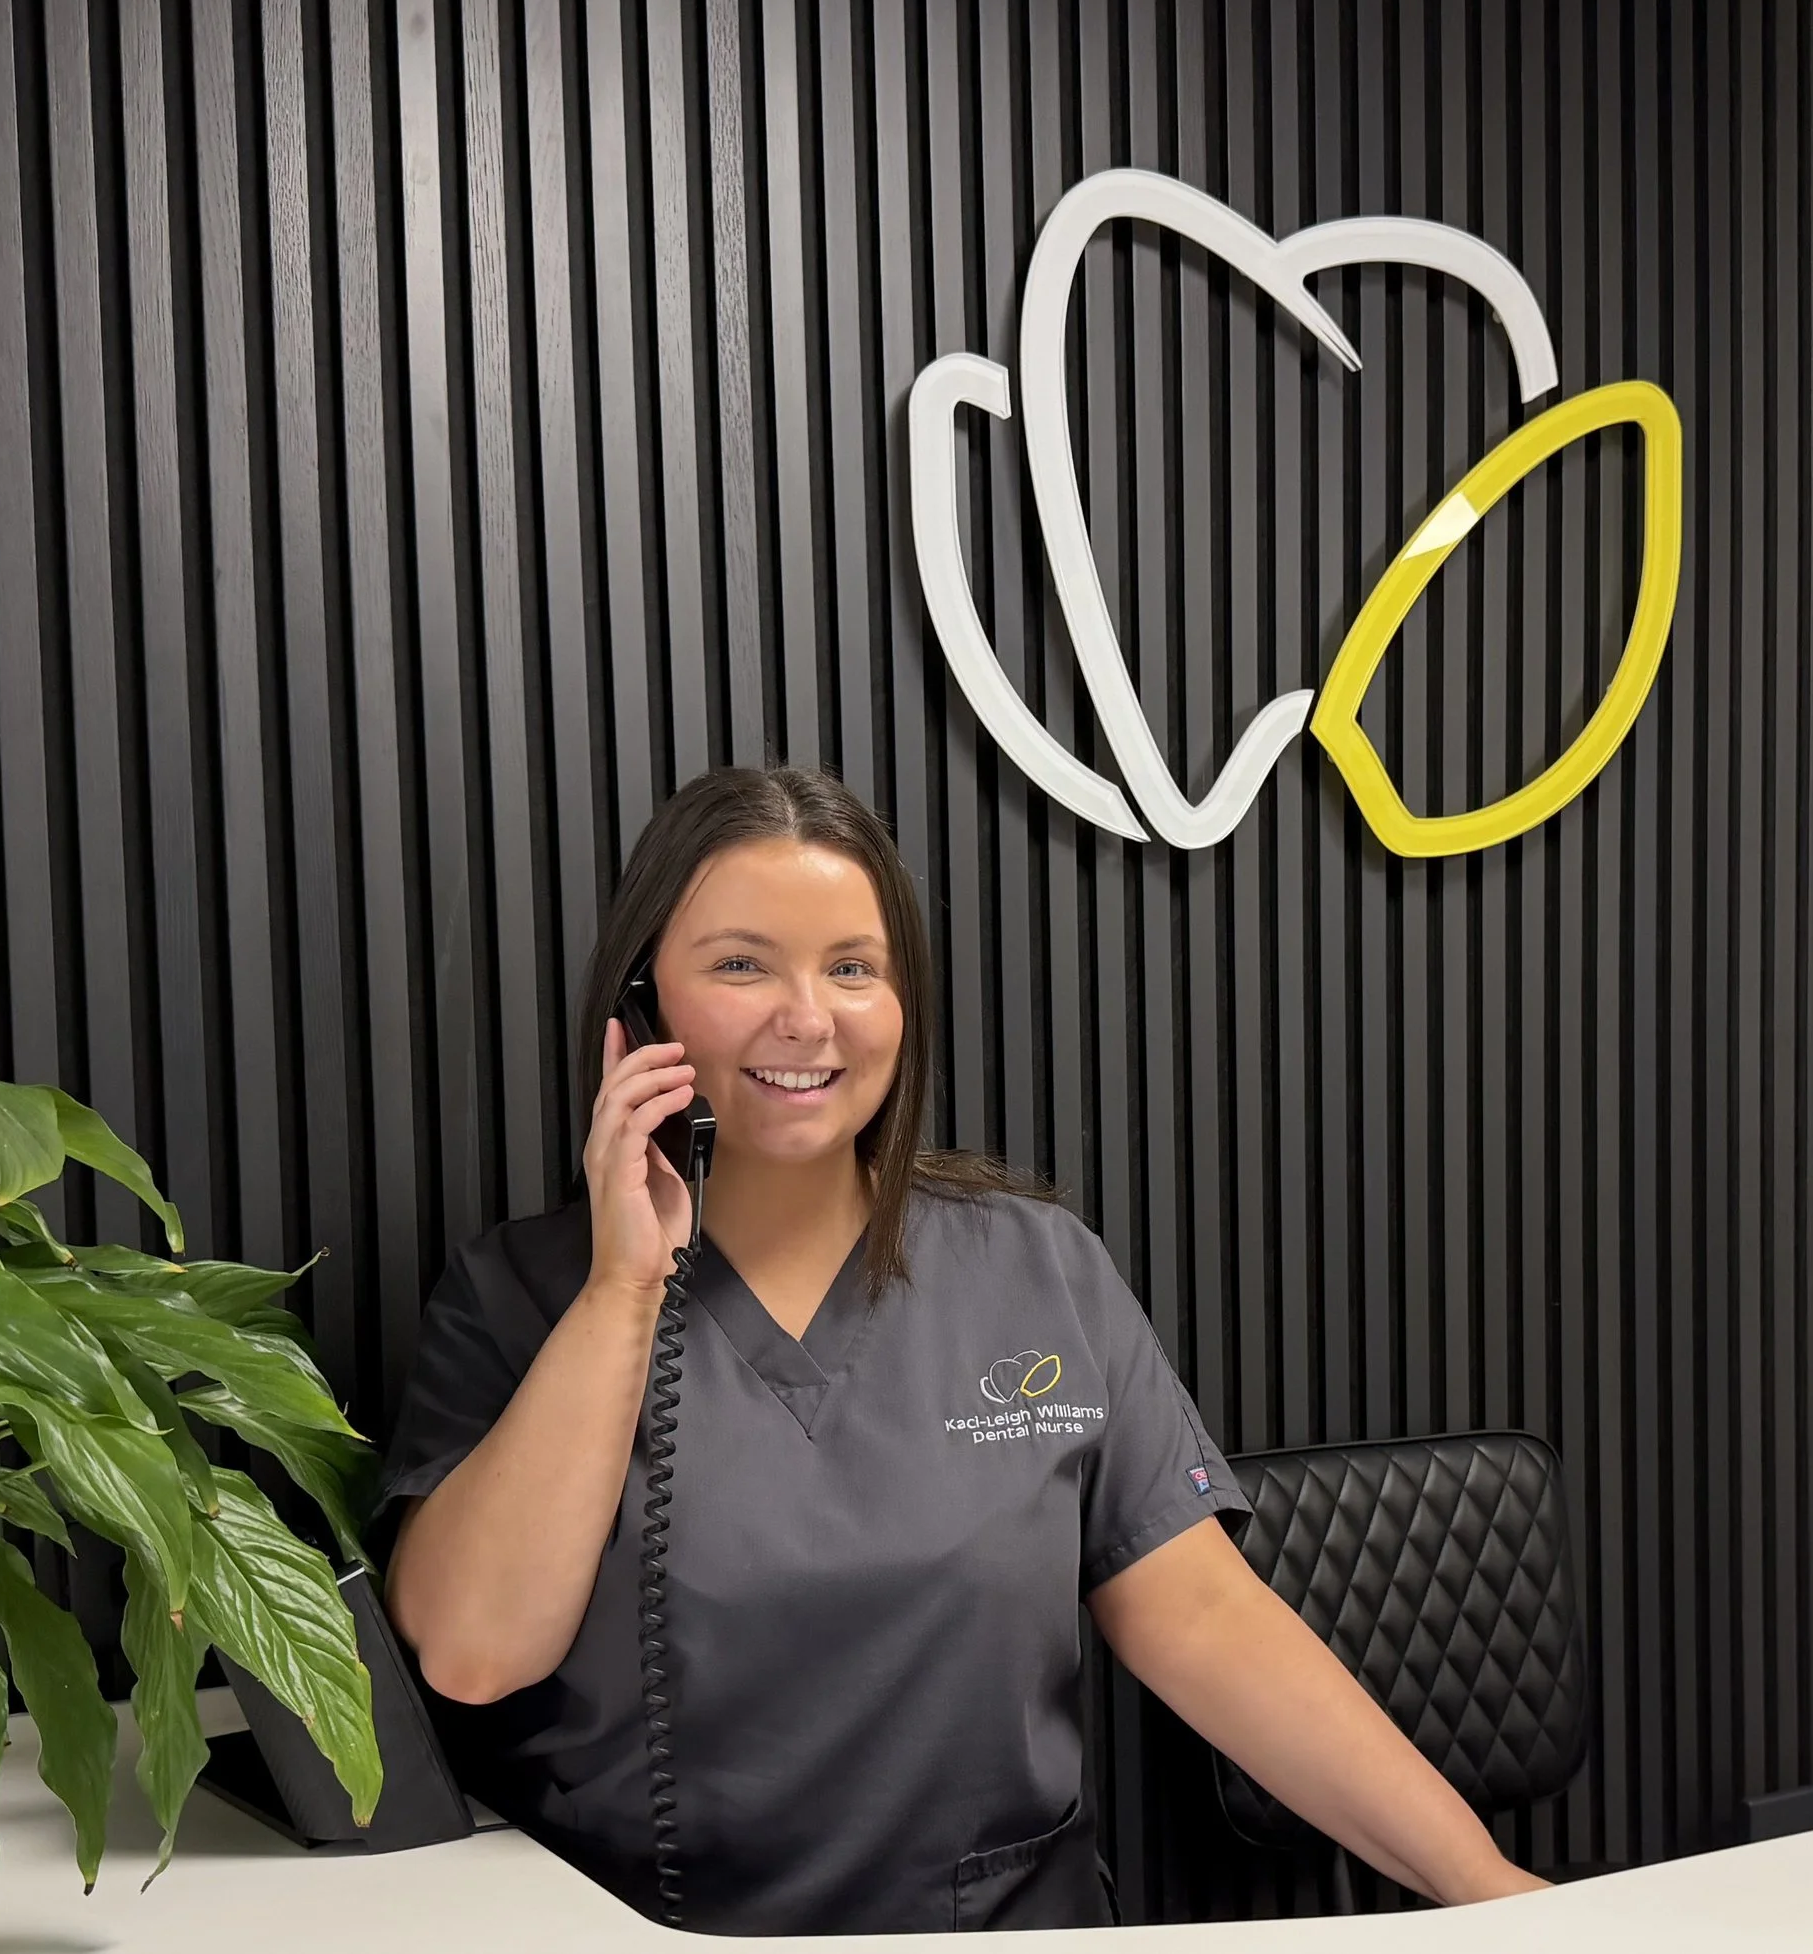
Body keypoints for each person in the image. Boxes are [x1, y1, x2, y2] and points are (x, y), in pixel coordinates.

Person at [378, 765, 1548, 1933]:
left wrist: (1489, 1895)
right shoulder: (516, 1297)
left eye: (852, 968)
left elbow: (1202, 1619)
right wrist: (625, 1287)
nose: (807, 1016)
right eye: (741, 964)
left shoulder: (1037, 1268)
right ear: (639, 1008)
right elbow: (474, 1655)